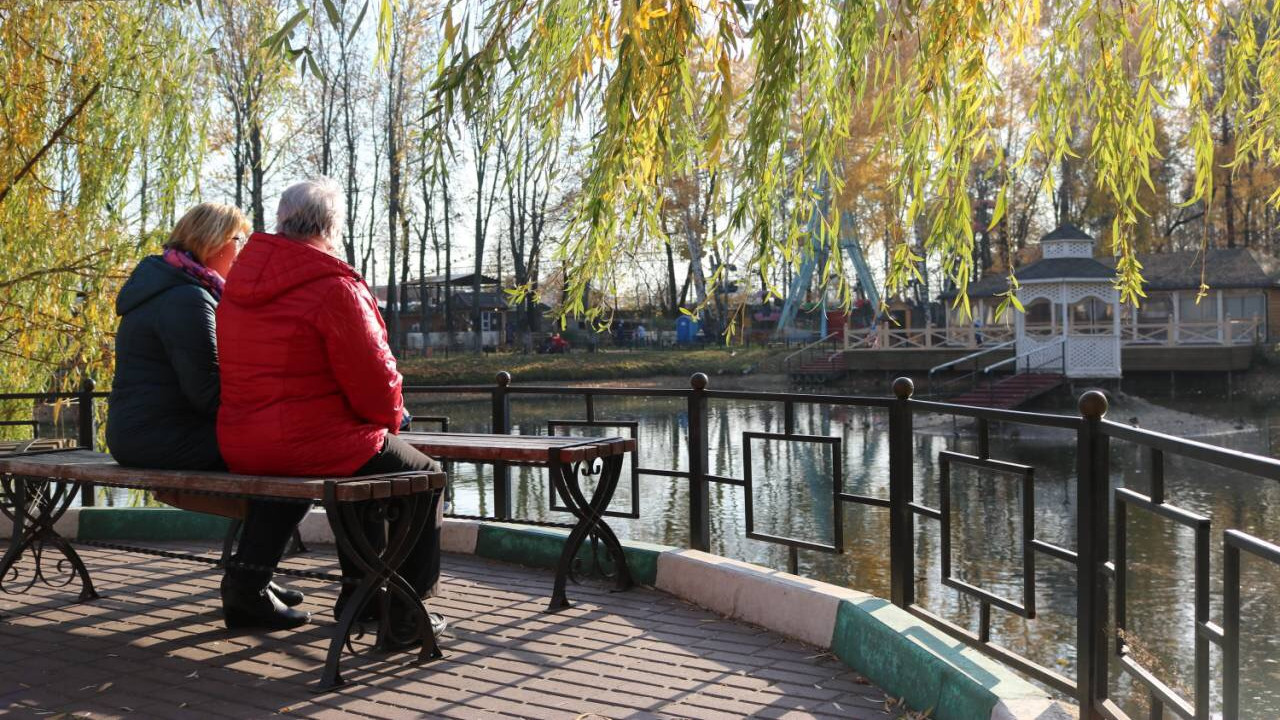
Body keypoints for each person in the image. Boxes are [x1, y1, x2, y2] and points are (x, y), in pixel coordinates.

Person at [217, 177, 444, 639]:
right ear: (332, 226)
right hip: (308, 442)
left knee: (365, 460)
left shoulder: (237, 285)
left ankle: (348, 597)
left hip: (243, 441)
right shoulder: (332, 286)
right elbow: (374, 379)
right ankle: (402, 613)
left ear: (281, 221)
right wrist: (390, 420)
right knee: (422, 478)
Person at [106, 203, 310, 630]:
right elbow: (208, 393)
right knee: (288, 463)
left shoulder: (170, 285)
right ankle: (247, 589)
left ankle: (253, 578)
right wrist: (271, 409)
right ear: (214, 242)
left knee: (278, 456)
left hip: (143, 431)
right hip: (160, 435)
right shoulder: (186, 297)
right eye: (238, 240)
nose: (242, 250)